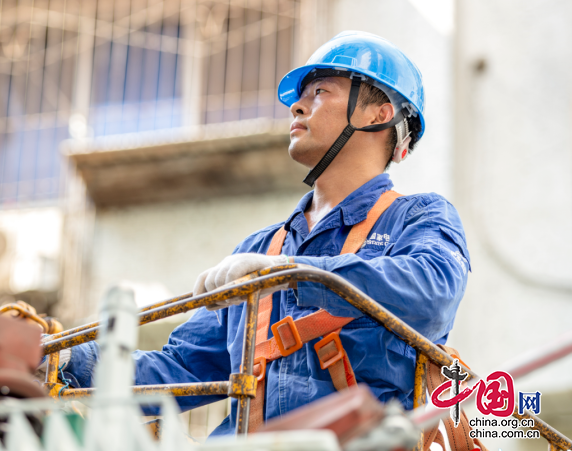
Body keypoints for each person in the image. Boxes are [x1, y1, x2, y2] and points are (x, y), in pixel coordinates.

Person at [61, 30, 471, 436]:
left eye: (320, 92)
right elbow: (183, 367)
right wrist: (65, 361)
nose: (297, 107)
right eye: (300, 96)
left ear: (378, 113)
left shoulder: (417, 218)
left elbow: (430, 294)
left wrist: (293, 272)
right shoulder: (260, 249)